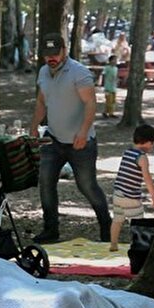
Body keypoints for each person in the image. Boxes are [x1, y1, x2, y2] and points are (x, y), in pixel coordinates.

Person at [29, 32, 112, 244]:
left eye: (55, 53)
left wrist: (84, 132)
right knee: (45, 183)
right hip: (53, 139)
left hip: (80, 142)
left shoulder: (79, 72)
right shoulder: (43, 73)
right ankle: (50, 230)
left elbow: (91, 103)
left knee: (87, 186)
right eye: (47, 55)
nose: (51, 58)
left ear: (64, 51)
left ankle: (106, 227)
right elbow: (41, 102)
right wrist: (33, 127)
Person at [107, 124, 154, 252]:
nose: (152, 146)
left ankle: (113, 244)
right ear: (147, 142)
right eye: (152, 144)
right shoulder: (141, 157)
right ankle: (138, 247)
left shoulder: (128, 152)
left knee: (117, 220)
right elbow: (147, 178)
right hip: (130, 196)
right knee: (138, 222)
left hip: (118, 194)